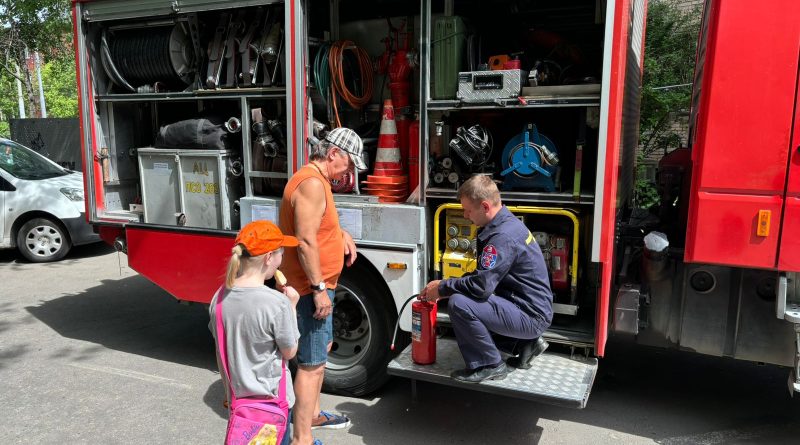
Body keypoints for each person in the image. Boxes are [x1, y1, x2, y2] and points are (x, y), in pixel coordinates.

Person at [279, 127, 367, 444]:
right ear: (333, 155)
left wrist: (340, 234)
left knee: (321, 350)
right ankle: (302, 438)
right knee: (312, 365)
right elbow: (304, 241)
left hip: (317, 285)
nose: (350, 172)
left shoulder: (317, 181)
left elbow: (317, 227)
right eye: (349, 164)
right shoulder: (313, 184)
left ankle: (312, 414)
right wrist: (318, 290)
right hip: (308, 288)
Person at [419, 175, 553, 383]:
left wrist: (444, 288)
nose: (465, 215)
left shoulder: (501, 238)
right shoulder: (506, 224)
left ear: (484, 206)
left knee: (460, 304)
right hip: (529, 307)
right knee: (468, 299)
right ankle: (524, 345)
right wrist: (444, 287)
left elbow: (481, 287)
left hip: (530, 315)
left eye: (468, 210)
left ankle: (490, 364)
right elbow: (484, 276)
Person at [208, 220, 302, 445]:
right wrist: (292, 306)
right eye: (281, 253)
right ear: (269, 257)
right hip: (271, 405)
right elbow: (289, 351)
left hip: (239, 404)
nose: (282, 260)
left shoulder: (219, 298)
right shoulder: (277, 303)